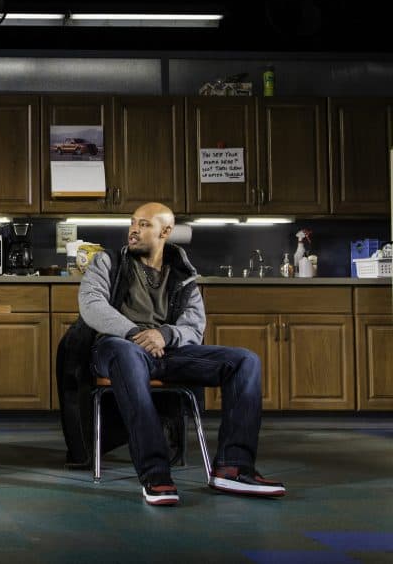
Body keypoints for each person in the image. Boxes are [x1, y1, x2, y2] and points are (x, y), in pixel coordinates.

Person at [79, 201, 285, 506]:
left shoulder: (184, 274)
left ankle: (233, 467)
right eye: (133, 223)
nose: (133, 230)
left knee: (245, 361)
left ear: (165, 231)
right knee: (127, 354)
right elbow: (91, 304)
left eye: (144, 225)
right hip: (115, 347)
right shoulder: (109, 262)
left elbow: (193, 325)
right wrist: (136, 334)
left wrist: (163, 334)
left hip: (166, 352)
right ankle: (156, 473)